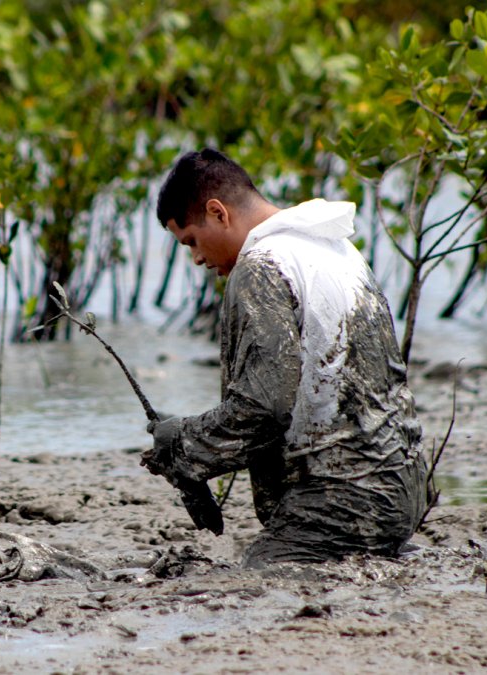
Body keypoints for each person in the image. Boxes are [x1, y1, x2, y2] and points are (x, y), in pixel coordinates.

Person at [142, 148, 428, 565]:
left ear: (218, 213)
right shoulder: (337, 249)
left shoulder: (260, 265)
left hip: (343, 503)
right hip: (405, 490)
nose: (197, 258)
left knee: (257, 575)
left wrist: (182, 445)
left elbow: (263, 408)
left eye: (191, 241)